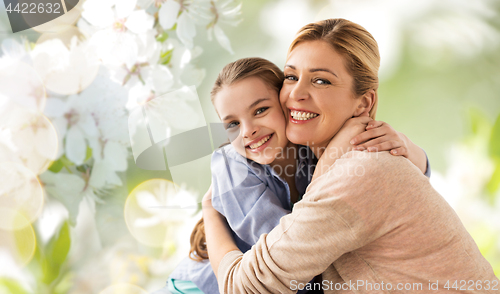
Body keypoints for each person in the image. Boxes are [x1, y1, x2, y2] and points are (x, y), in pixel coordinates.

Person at [202, 19, 499, 293]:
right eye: (291, 77)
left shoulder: (361, 171)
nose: (296, 94)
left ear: (363, 103)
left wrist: (210, 213)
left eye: (321, 81)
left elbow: (244, 287)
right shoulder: (334, 159)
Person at [164, 56, 431, 294]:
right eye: (232, 124)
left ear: (286, 106)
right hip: (199, 286)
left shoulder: (311, 147)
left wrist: (407, 148)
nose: (247, 131)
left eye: (260, 110)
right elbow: (290, 255)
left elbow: (401, 184)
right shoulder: (231, 167)